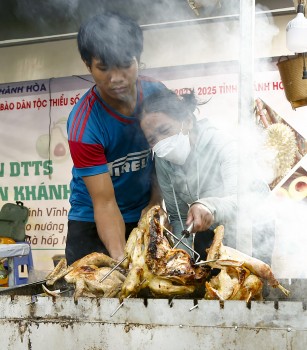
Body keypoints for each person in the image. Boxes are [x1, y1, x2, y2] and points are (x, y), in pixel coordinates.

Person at [65, 12, 166, 265]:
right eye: (103, 68)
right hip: (92, 220)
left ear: (138, 59)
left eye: (125, 64)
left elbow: (167, 159)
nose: (116, 78)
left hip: (143, 212)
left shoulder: (157, 95)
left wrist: (154, 202)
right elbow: (105, 203)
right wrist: (121, 260)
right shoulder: (84, 124)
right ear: (88, 65)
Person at [139, 89, 274, 263]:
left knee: (247, 283)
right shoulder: (162, 159)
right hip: (213, 223)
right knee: (205, 277)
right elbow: (178, 217)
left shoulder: (223, 144)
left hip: (252, 223)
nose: (160, 142)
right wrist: (181, 263)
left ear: (187, 121)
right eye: (152, 139)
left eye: (164, 130)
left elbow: (242, 200)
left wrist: (208, 206)